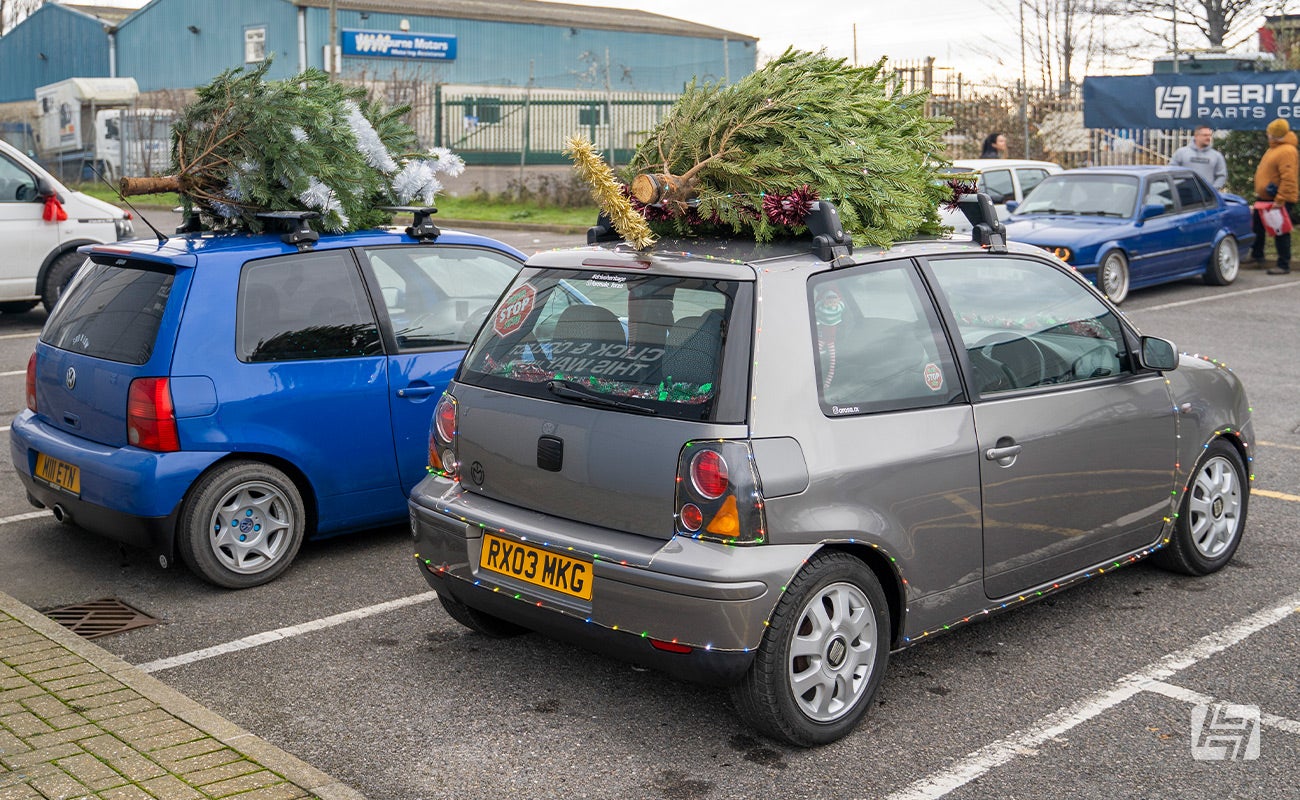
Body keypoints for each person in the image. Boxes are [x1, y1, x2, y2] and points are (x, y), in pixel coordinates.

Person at [1250, 118, 1299, 275]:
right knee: (1257, 225)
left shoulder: (1287, 151)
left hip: (1277, 198)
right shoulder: (1274, 149)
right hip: (1265, 198)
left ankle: (1283, 264)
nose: (1267, 135)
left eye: (1269, 133)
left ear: (1274, 135)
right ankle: (1257, 256)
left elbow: (1288, 177)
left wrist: (1280, 199)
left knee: (1280, 230)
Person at [1169, 124, 1227, 190]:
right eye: (1205, 135)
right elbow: (1171, 171)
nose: (1208, 138)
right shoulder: (1181, 153)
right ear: (1196, 136)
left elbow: (1221, 176)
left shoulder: (1217, 156)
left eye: (1209, 135)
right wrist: (1179, 186)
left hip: (1207, 197)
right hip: (1184, 194)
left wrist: (1212, 190)